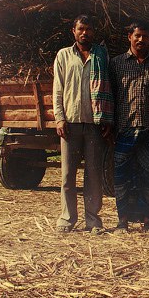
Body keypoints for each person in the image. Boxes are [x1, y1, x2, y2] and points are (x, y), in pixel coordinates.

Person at [51, 15, 114, 234]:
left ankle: (93, 220)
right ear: (74, 31)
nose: (84, 33)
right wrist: (59, 118)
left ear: (93, 32)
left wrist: (108, 118)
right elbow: (58, 89)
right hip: (71, 124)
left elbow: (110, 88)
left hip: (95, 123)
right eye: (81, 29)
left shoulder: (102, 55)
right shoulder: (64, 56)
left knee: (94, 175)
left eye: (88, 29)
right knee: (68, 175)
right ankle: (67, 219)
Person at [110, 22, 149, 232]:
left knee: (147, 178)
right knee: (121, 178)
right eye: (137, 36)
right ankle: (122, 221)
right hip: (124, 130)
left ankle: (148, 221)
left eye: (145, 36)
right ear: (129, 37)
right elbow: (112, 98)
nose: (141, 40)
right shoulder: (116, 64)